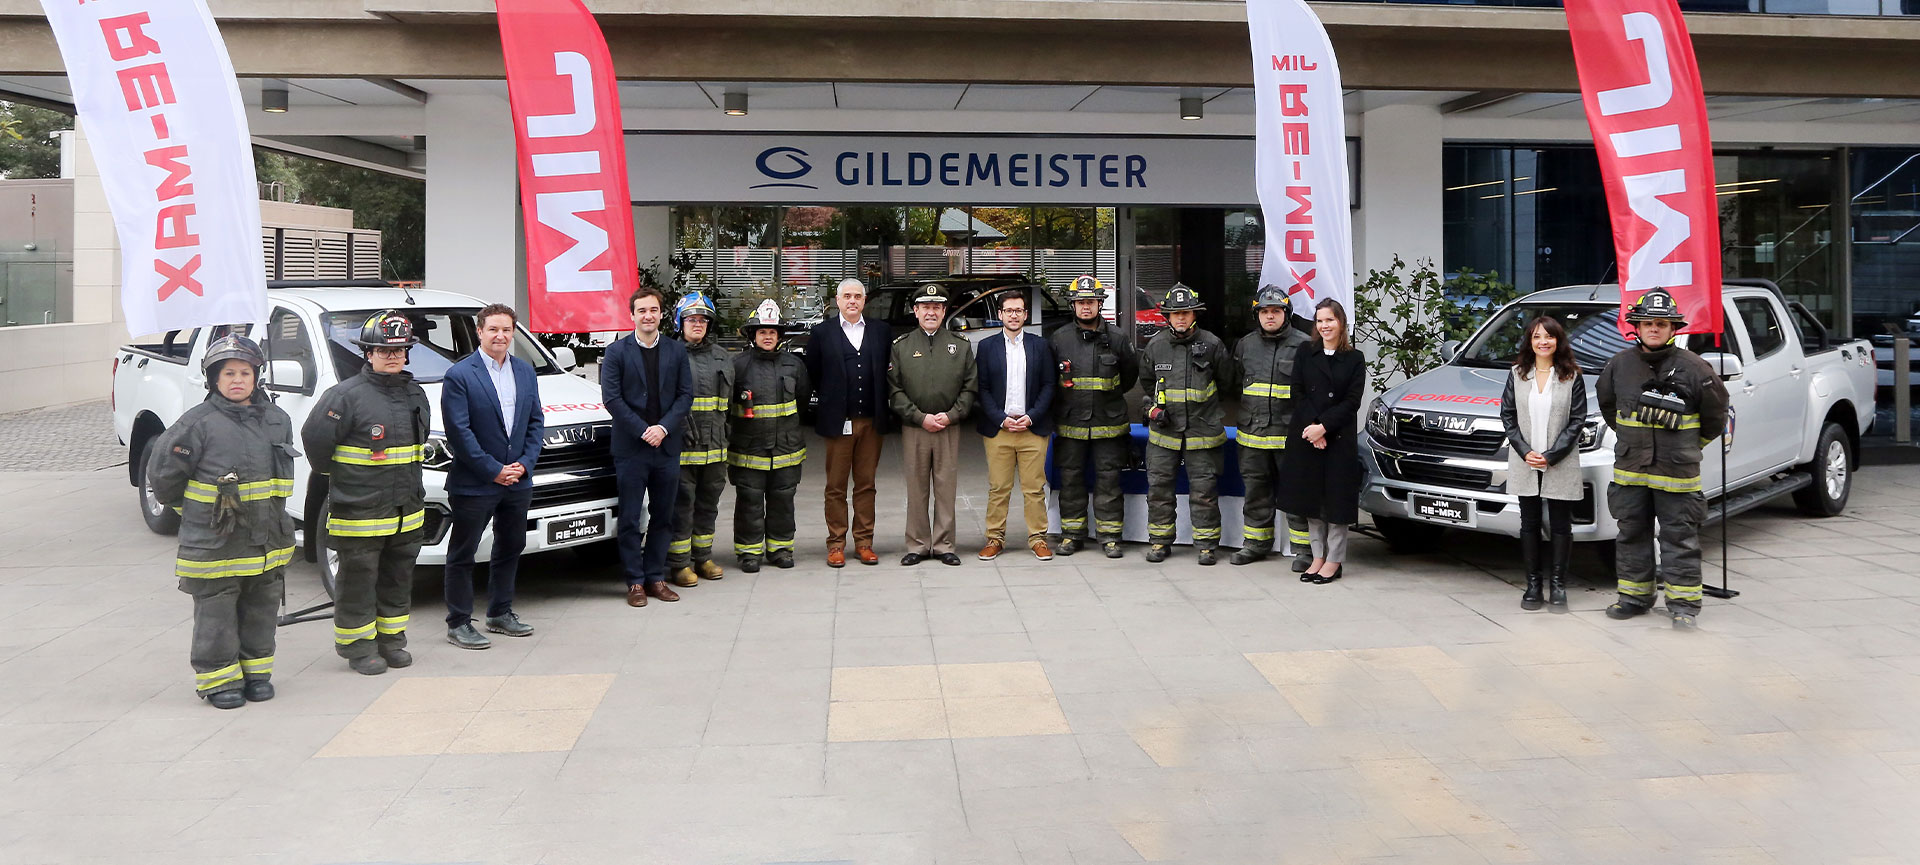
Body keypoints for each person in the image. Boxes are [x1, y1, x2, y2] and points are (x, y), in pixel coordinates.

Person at [147, 334, 295, 708]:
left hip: (267, 542)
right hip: (215, 542)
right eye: (228, 373)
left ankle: (257, 674)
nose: (236, 380)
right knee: (216, 614)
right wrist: (195, 515)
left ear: (256, 376)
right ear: (213, 378)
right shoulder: (195, 424)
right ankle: (218, 681)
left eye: (244, 372)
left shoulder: (278, 420)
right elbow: (164, 478)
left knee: (261, 609)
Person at [303, 310, 433, 675]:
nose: (392, 356)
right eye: (383, 350)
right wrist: (346, 478)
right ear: (367, 353)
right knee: (358, 581)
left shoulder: (414, 394)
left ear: (407, 352)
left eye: (399, 350)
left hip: (405, 509)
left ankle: (392, 642)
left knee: (397, 579)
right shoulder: (344, 397)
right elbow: (316, 446)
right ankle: (358, 648)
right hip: (358, 510)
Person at [1597, 287, 1729, 630]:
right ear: (1635, 328)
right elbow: (1609, 408)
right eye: (1646, 323)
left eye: (1661, 323)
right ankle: (1633, 598)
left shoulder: (1696, 368)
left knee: (1680, 540)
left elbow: (1716, 417)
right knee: (1631, 535)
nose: (1653, 329)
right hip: (1631, 472)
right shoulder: (1618, 366)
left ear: (1674, 329)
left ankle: (1684, 606)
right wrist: (1633, 440)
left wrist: (1688, 446)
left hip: (1677, 473)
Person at [439, 303, 544, 650]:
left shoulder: (525, 372)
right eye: (494, 329)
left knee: (511, 546)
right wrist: (493, 470)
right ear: (480, 332)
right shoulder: (460, 375)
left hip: (518, 480)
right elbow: (460, 432)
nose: (501, 336)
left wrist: (525, 464)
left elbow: (535, 422)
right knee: (463, 552)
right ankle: (458, 622)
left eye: (507, 330)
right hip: (475, 482)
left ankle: (500, 612)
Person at [602, 285, 695, 607]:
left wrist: (663, 428)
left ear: (661, 314)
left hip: (666, 448)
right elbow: (611, 399)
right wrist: (644, 431)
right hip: (631, 448)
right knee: (629, 517)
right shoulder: (616, 352)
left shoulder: (676, 350)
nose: (648, 315)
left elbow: (686, 396)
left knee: (663, 516)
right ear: (632, 315)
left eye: (653, 310)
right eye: (641, 310)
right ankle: (634, 582)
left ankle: (656, 577)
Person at [1139, 283, 1235, 566]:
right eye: (1175, 313)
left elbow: (1228, 382)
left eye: (1186, 313)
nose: (1180, 318)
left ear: (1195, 314)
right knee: (1158, 490)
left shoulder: (1213, 345)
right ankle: (1159, 541)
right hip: (1163, 435)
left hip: (1202, 433)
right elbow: (1147, 383)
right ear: (1167, 316)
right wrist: (1155, 409)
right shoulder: (1155, 346)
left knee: (1204, 492)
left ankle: (1206, 546)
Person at [1499, 315, 1588, 613]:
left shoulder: (1572, 375)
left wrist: (1551, 455)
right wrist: (1525, 451)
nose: (1543, 341)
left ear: (1558, 340)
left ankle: (1559, 586)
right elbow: (1508, 417)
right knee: (1529, 523)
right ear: (1530, 341)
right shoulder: (1516, 374)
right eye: (1537, 336)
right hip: (1525, 460)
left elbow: (1577, 421)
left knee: (1561, 524)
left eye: (1548, 336)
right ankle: (1533, 585)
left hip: (1559, 461)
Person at [1276, 298, 1366, 585]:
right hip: (1307, 437)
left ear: (1341, 323)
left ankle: (1334, 560)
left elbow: (1352, 401)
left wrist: (1325, 427)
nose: (1325, 325)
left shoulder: (1354, 358)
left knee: (1336, 504)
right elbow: (1298, 393)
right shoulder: (1306, 352)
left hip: (1337, 439)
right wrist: (1314, 429)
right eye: (1320, 321)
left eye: (1330, 320)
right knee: (1312, 503)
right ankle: (1317, 557)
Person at [1047, 275, 1137, 559]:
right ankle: (1072, 535)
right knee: (1071, 480)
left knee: (1109, 481)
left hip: (1109, 424)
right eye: (1080, 302)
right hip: (1070, 423)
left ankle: (1110, 537)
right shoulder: (1059, 339)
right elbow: (1051, 379)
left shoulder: (1119, 338)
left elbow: (1130, 378)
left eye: (1091, 302)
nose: (1086, 307)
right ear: (1073, 305)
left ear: (1100, 304)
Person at [805, 277, 893, 568]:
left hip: (871, 421)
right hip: (839, 423)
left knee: (866, 484)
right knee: (836, 486)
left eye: (858, 296)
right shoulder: (822, 333)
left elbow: (886, 373)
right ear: (838, 300)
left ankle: (864, 542)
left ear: (865, 301)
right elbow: (814, 374)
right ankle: (836, 543)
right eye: (847, 296)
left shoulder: (881, 331)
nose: (853, 301)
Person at [888, 283, 977, 566]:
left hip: (948, 426)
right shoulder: (901, 346)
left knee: (946, 487)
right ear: (915, 311)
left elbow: (970, 387)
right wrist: (919, 417)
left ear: (944, 311)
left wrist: (951, 415)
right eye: (925, 307)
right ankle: (917, 544)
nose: (931, 312)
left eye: (936, 307)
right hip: (915, 428)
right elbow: (894, 390)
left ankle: (944, 544)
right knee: (916, 488)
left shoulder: (960, 346)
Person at [1231, 285, 1314, 568]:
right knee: (1256, 493)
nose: (1270, 316)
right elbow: (1234, 383)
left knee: (1296, 495)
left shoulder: (1305, 345)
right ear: (1257, 315)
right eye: (1264, 312)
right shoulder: (1245, 345)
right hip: (1252, 436)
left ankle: (1305, 551)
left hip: (1289, 437)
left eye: (1275, 311)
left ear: (1286, 313)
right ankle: (1255, 545)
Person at [975, 289, 1057, 562]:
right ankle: (994, 538)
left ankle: (1038, 538)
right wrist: (1000, 418)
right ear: (999, 315)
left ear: (1025, 314)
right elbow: (982, 388)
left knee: (1034, 488)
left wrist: (1031, 416)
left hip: (1032, 428)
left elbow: (1049, 384)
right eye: (1008, 310)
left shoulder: (1039, 345)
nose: (1013, 315)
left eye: (1018, 310)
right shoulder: (986, 347)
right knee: (999, 488)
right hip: (999, 429)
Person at [730, 300, 812, 573]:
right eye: (762, 331)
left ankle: (780, 549)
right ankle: (749, 553)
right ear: (753, 335)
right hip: (749, 449)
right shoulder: (738, 366)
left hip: (786, 448)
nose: (767, 336)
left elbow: (801, 402)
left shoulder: (794, 365)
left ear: (780, 336)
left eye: (772, 332)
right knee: (749, 502)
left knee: (783, 502)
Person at [667, 291, 734, 587]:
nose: (698, 324)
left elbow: (729, 404)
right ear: (679, 323)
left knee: (709, 506)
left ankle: (703, 557)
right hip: (682, 449)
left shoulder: (722, 357)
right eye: (691, 319)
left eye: (703, 320)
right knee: (682, 507)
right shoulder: (669, 355)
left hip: (716, 448)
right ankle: (679, 564)